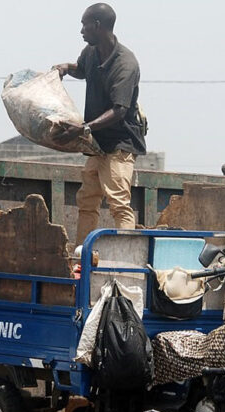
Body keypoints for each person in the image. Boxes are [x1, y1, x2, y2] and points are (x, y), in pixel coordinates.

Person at [52, 3, 147, 246]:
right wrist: (66, 67)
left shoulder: (125, 64)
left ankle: (127, 257)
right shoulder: (91, 51)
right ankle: (82, 254)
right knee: (87, 199)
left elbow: (119, 110)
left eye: (84, 25)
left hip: (119, 145)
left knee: (118, 203)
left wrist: (83, 129)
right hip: (98, 142)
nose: (81, 31)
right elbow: (82, 70)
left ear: (97, 25)